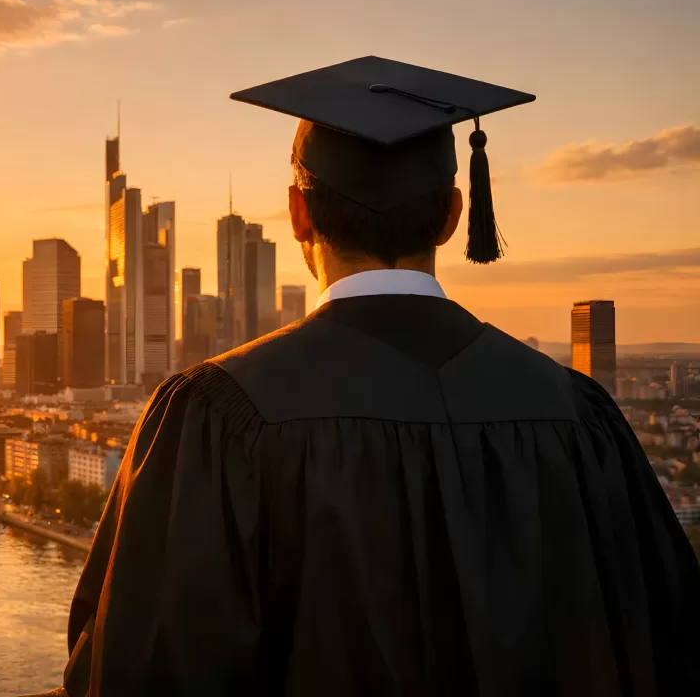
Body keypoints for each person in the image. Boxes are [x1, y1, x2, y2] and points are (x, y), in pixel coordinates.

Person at [39, 57, 700, 696]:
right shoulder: (576, 416)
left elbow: (135, 669)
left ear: (299, 214)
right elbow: (669, 648)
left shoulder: (216, 415)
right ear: (453, 215)